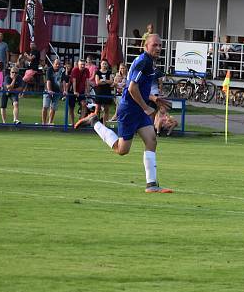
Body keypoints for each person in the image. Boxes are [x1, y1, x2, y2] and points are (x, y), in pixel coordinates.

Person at [74, 34, 173, 194]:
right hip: (129, 110)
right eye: (155, 45)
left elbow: (133, 87)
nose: (158, 48)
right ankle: (94, 122)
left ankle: (152, 184)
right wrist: (146, 108)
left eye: (160, 46)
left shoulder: (146, 61)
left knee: (151, 140)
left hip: (137, 109)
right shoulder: (143, 62)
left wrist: (153, 98)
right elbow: (133, 88)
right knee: (122, 150)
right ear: (145, 46)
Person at [42, 57, 65, 125]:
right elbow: (48, 81)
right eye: (56, 64)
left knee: (53, 107)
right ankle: (43, 123)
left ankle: (50, 122)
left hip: (57, 91)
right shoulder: (49, 70)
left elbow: (63, 81)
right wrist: (49, 90)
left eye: (59, 64)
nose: (57, 65)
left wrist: (64, 90)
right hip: (48, 90)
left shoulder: (62, 71)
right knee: (45, 106)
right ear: (53, 64)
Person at [68, 59, 90, 126]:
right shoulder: (75, 70)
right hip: (72, 90)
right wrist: (75, 91)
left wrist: (87, 91)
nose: (83, 66)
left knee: (84, 104)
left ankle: (80, 121)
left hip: (81, 90)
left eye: (84, 64)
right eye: (81, 65)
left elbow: (87, 81)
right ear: (78, 65)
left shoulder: (86, 71)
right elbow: (74, 81)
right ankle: (72, 123)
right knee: (71, 107)